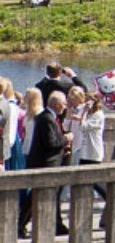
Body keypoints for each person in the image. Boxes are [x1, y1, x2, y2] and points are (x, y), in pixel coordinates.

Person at [19, 90, 68, 237]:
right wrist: (66, 139)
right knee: (34, 197)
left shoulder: (48, 116)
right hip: (45, 163)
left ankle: (55, 225)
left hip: (46, 162)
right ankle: (20, 225)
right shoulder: (47, 118)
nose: (65, 106)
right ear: (58, 104)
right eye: (64, 104)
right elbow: (51, 143)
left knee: (40, 197)